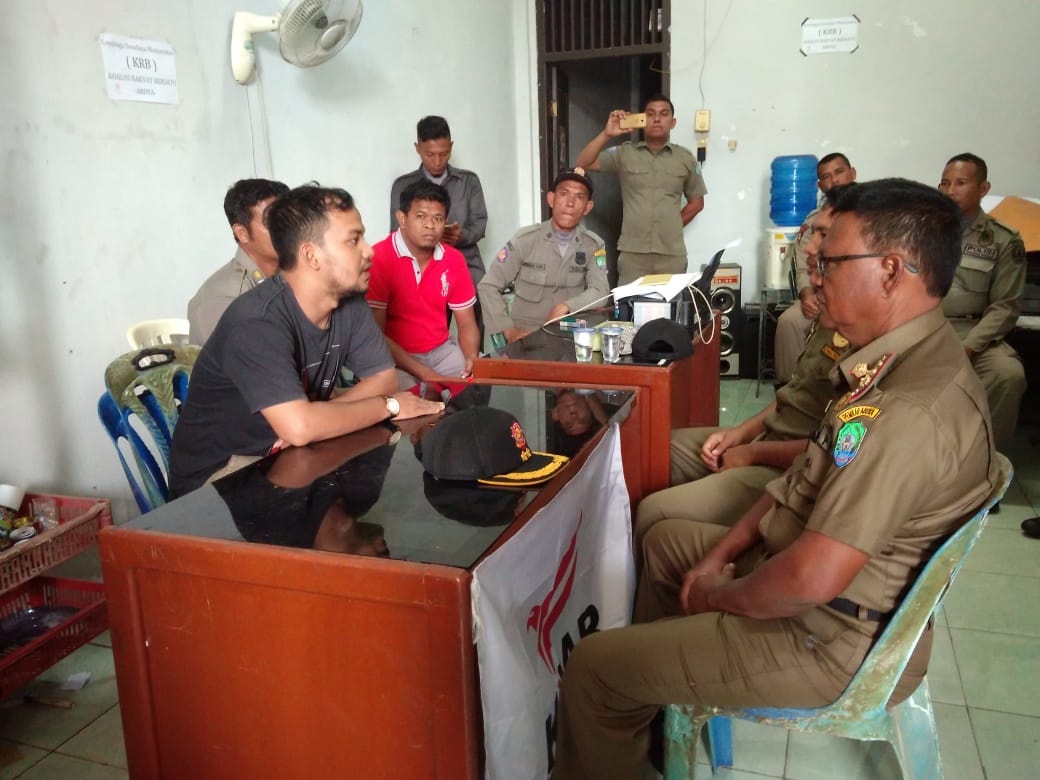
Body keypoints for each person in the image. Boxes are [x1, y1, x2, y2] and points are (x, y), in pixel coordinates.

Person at [550, 178, 1000, 779]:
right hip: (818, 587)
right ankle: (646, 715)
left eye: (832, 262)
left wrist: (714, 595)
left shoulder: (906, 412)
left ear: (891, 271)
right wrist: (723, 557)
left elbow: (808, 580)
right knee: (665, 543)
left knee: (594, 669)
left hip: (827, 637)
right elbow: (804, 477)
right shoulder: (893, 362)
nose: (817, 274)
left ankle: (627, 692)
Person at [169, 185, 444, 498]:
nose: (369, 251)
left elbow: (383, 378)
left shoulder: (347, 300)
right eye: (353, 240)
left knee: (383, 487)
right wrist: (389, 406)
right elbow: (302, 428)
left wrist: (315, 419)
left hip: (290, 451)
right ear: (311, 255)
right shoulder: (256, 321)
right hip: (222, 476)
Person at [636, 187, 854, 545]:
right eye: (814, 233)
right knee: (653, 448)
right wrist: (741, 433)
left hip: (790, 466)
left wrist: (751, 452)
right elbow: (792, 395)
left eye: (823, 235)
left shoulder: (865, 336)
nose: (809, 248)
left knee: (653, 513)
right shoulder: (829, 310)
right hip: (768, 438)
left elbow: (830, 452)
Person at [938, 152, 1027, 450]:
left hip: (972, 332)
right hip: (925, 327)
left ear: (983, 189)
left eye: (960, 183)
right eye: (945, 183)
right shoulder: (922, 230)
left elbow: (1005, 306)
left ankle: (986, 460)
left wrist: (969, 347)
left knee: (1007, 375)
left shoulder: (1003, 239)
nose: (950, 191)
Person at [575, 94, 707, 285]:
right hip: (633, 255)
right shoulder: (625, 153)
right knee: (630, 303)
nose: (657, 119)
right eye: (650, 114)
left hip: (671, 253)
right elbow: (583, 162)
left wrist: (672, 226)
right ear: (642, 121)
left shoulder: (685, 159)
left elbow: (697, 203)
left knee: (671, 303)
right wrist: (607, 134)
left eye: (664, 114)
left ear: (673, 122)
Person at [367, 180, 480, 396]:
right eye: (421, 216)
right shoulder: (379, 258)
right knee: (422, 402)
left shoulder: (454, 259)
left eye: (437, 218)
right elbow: (376, 336)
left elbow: (466, 323)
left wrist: (471, 357)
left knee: (474, 391)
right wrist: (426, 374)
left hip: (442, 352)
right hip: (394, 358)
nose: (430, 225)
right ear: (402, 219)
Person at [478, 167, 609, 344]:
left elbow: (600, 290)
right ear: (551, 199)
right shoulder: (525, 240)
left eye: (579, 197)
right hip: (526, 337)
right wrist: (508, 330)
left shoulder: (593, 245)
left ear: (587, 207)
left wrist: (567, 306)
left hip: (569, 337)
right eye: (564, 194)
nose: (570, 203)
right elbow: (488, 286)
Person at [390, 116, 488, 334]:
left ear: (451, 146)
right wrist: (426, 237)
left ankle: (476, 355)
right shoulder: (404, 186)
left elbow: (480, 224)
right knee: (426, 324)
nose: (437, 161)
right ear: (417, 148)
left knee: (481, 299)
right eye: (429, 154)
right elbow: (396, 232)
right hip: (423, 265)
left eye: (443, 154)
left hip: (466, 262)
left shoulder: (468, 181)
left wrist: (460, 236)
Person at [774, 153, 858, 381]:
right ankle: (790, 387)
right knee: (789, 322)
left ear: (853, 173)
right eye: (826, 177)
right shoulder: (814, 220)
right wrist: (807, 294)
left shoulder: (873, 215)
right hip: (820, 295)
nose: (835, 180)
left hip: (858, 298)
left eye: (839, 172)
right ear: (820, 185)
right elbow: (803, 267)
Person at [187, 178, 290, 345]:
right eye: (273, 222)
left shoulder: (291, 272)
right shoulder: (229, 299)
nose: (287, 229)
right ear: (242, 233)